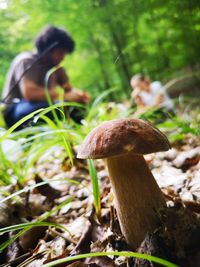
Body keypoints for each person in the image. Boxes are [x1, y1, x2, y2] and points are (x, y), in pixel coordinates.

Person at [2, 25, 90, 128]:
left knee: (75, 107)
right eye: (60, 53)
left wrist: (79, 95)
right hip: (15, 110)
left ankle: (75, 138)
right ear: (48, 49)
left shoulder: (56, 67)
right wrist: (64, 97)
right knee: (58, 107)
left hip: (42, 105)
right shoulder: (27, 61)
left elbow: (68, 88)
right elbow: (30, 93)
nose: (63, 57)